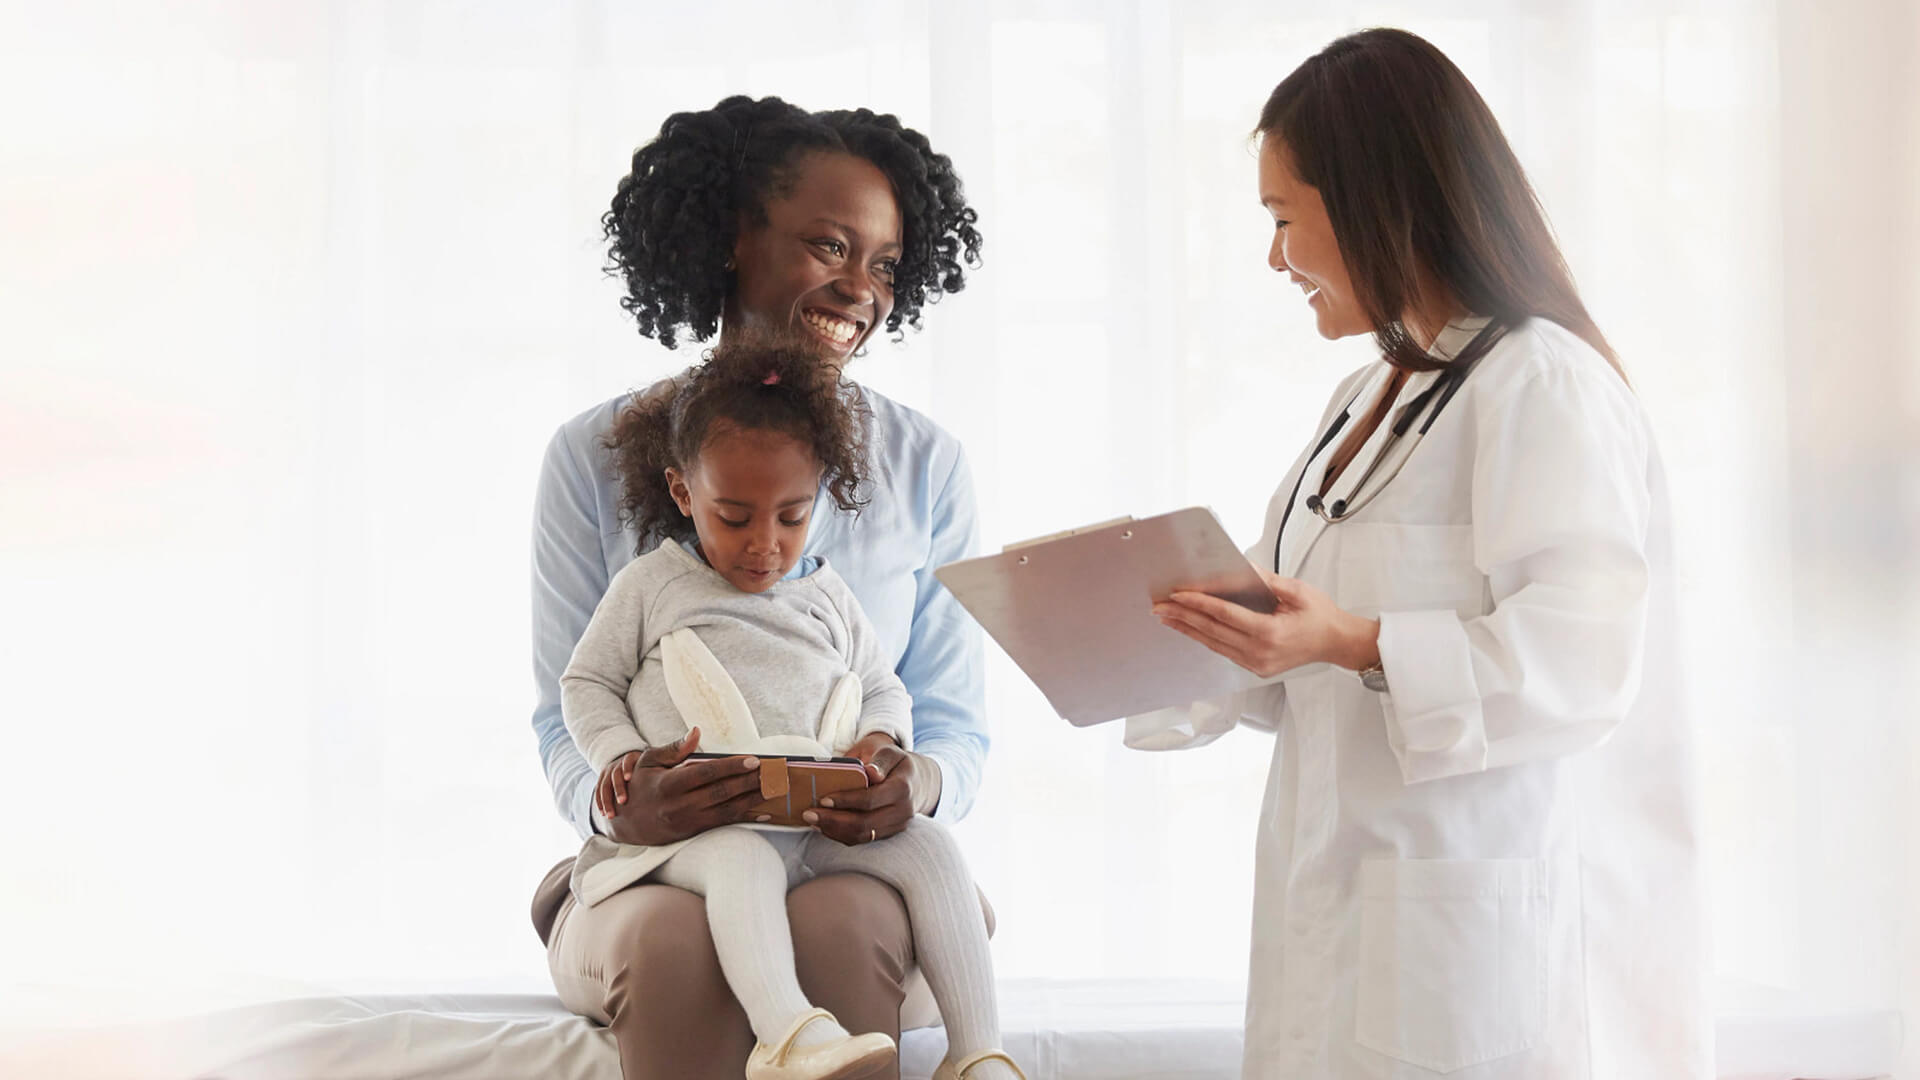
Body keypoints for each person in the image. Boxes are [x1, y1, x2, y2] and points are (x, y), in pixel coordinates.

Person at [1132, 29, 1711, 1078]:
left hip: (1471, 937)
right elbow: (1285, 625)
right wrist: (1161, 628)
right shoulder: (1365, 398)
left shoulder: (1541, 384)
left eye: (1283, 222)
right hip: (1338, 906)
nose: (1273, 260)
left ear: (1372, 200)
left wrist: (1354, 641)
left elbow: (1581, 666)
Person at [528, 95, 991, 1080]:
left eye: (885, 264)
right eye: (831, 246)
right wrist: (617, 805)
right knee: (672, 942)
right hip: (666, 866)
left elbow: (952, 721)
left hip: (850, 861)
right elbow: (562, 709)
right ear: (737, 239)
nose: (861, 287)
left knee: (847, 917)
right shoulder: (592, 457)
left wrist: (914, 784)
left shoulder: (925, 467)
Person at [559, 339, 1021, 1080]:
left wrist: (881, 741)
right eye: (734, 517)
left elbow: (882, 684)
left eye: (791, 517)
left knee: (935, 851)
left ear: (821, 497)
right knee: (743, 859)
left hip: (810, 826)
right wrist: (620, 761)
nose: (764, 546)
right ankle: (789, 1037)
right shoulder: (653, 586)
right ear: (683, 494)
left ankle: (978, 1054)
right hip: (696, 836)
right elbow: (585, 684)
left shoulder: (827, 593)